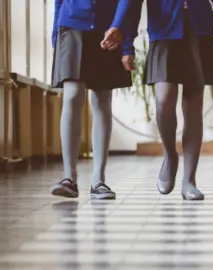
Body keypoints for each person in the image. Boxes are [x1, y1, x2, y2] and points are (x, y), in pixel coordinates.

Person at [122, 0, 213, 201]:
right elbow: (132, 4)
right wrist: (127, 45)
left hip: (199, 28)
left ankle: (189, 181)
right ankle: (170, 155)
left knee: (194, 106)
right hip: (164, 28)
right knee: (163, 100)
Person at [50, 0, 133, 200]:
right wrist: (56, 35)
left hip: (109, 27)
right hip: (70, 25)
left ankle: (98, 180)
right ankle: (69, 177)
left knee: (102, 99)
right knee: (71, 94)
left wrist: (126, 42)